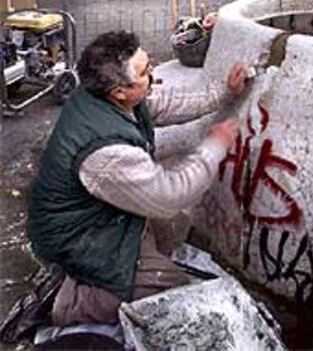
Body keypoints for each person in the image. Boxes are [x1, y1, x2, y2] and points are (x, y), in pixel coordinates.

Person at [28, 31, 247, 326]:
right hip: (77, 236)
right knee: (174, 293)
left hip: (95, 215)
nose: (153, 73)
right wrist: (215, 145)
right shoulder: (108, 153)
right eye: (145, 72)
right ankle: (73, 303)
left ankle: (128, 266)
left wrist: (225, 92)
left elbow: (166, 103)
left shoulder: (108, 96)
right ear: (120, 91)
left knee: (171, 230)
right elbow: (170, 196)